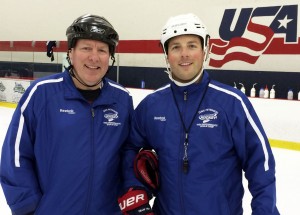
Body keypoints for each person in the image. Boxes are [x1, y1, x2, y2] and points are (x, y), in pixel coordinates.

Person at [119, 13, 280, 214]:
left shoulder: (232, 103)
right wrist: (135, 190)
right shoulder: (151, 106)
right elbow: (129, 148)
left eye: (192, 45)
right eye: (176, 47)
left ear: (205, 50)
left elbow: (261, 166)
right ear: (166, 54)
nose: (184, 54)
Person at [0, 14, 133, 215]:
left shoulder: (122, 99)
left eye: (102, 50)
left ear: (110, 57)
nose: (94, 57)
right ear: (71, 53)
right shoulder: (41, 93)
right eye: (86, 48)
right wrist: (27, 207)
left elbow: (129, 155)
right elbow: (16, 156)